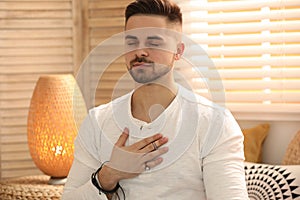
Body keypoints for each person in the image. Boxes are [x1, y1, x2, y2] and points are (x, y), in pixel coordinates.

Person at [62, 0, 249, 199]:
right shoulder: (97, 121)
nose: (140, 52)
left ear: (178, 51)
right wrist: (110, 174)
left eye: (153, 42)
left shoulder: (214, 123)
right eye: (131, 42)